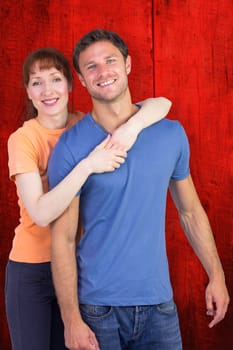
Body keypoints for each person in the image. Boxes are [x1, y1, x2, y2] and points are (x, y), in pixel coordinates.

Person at [48, 29, 229, 350]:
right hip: (97, 309)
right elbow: (62, 238)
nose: (103, 72)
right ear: (81, 79)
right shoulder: (70, 147)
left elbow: (189, 211)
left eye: (110, 60)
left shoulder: (170, 134)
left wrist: (216, 275)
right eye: (91, 67)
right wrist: (71, 319)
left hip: (160, 305)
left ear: (128, 64)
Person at [5, 47, 172, 350]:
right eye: (37, 83)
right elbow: (42, 214)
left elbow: (162, 104)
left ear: (71, 84)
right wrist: (87, 166)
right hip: (33, 270)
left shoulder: (84, 125)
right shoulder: (23, 139)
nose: (47, 90)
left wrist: (133, 127)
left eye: (55, 79)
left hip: (78, 270)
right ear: (28, 92)